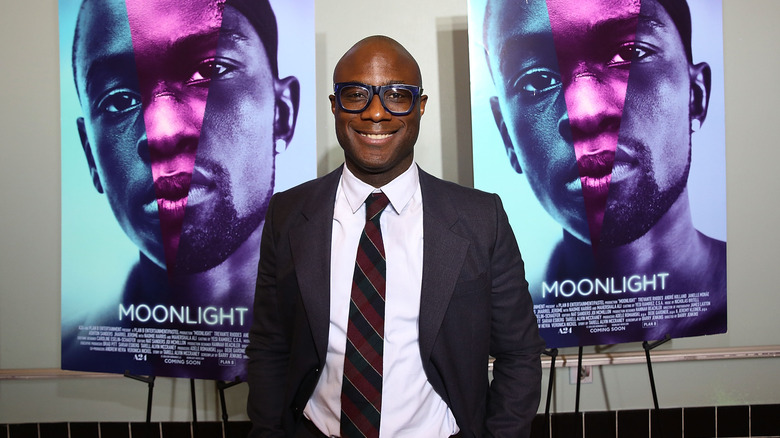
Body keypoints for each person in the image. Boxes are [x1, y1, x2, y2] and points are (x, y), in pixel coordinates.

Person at [246, 35, 544, 438]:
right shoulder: (288, 214)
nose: (375, 113)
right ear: (335, 107)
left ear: (420, 107)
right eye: (356, 94)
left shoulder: (480, 219)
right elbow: (270, 346)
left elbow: (519, 353)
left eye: (397, 95)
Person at [63, 0, 299, 377]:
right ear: (91, 155)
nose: (164, 131)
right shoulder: (77, 356)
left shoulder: (333, 340)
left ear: (281, 114)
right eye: (119, 100)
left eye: (210, 70)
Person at [482, 0, 726, 341]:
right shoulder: (506, 334)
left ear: (696, 96)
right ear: (506, 135)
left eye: (630, 53)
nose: (585, 111)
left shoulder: (762, 296)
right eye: (536, 80)